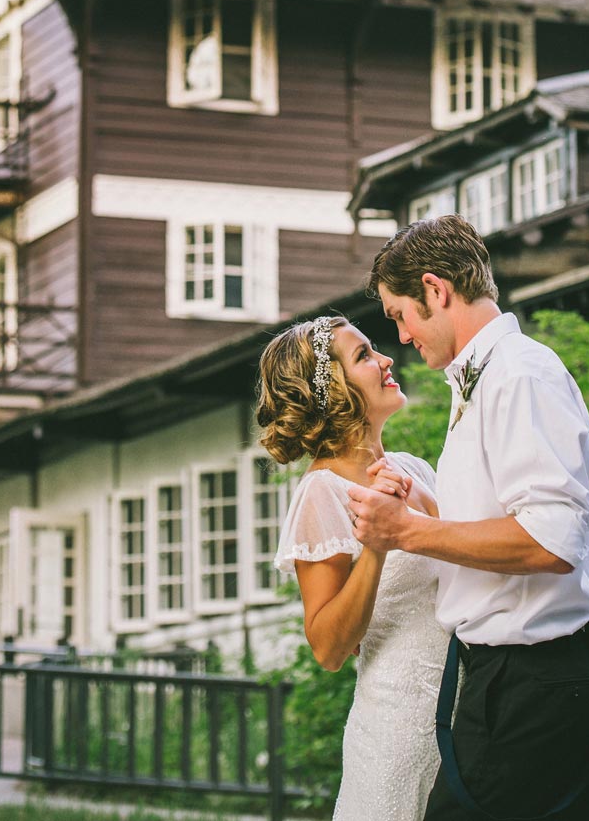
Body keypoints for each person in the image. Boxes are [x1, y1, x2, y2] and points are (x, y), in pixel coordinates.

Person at [348, 216, 589, 821]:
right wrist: (423, 508)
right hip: (507, 681)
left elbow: (552, 541)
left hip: (536, 682)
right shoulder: (485, 379)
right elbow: (505, 525)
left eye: (400, 314)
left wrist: (407, 532)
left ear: (436, 290)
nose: (403, 335)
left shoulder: (520, 375)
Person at [258, 314, 448, 821]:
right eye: (364, 355)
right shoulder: (323, 492)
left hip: (467, 716)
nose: (387, 360)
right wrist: (377, 547)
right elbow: (327, 646)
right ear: (334, 391)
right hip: (399, 728)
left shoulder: (415, 468)